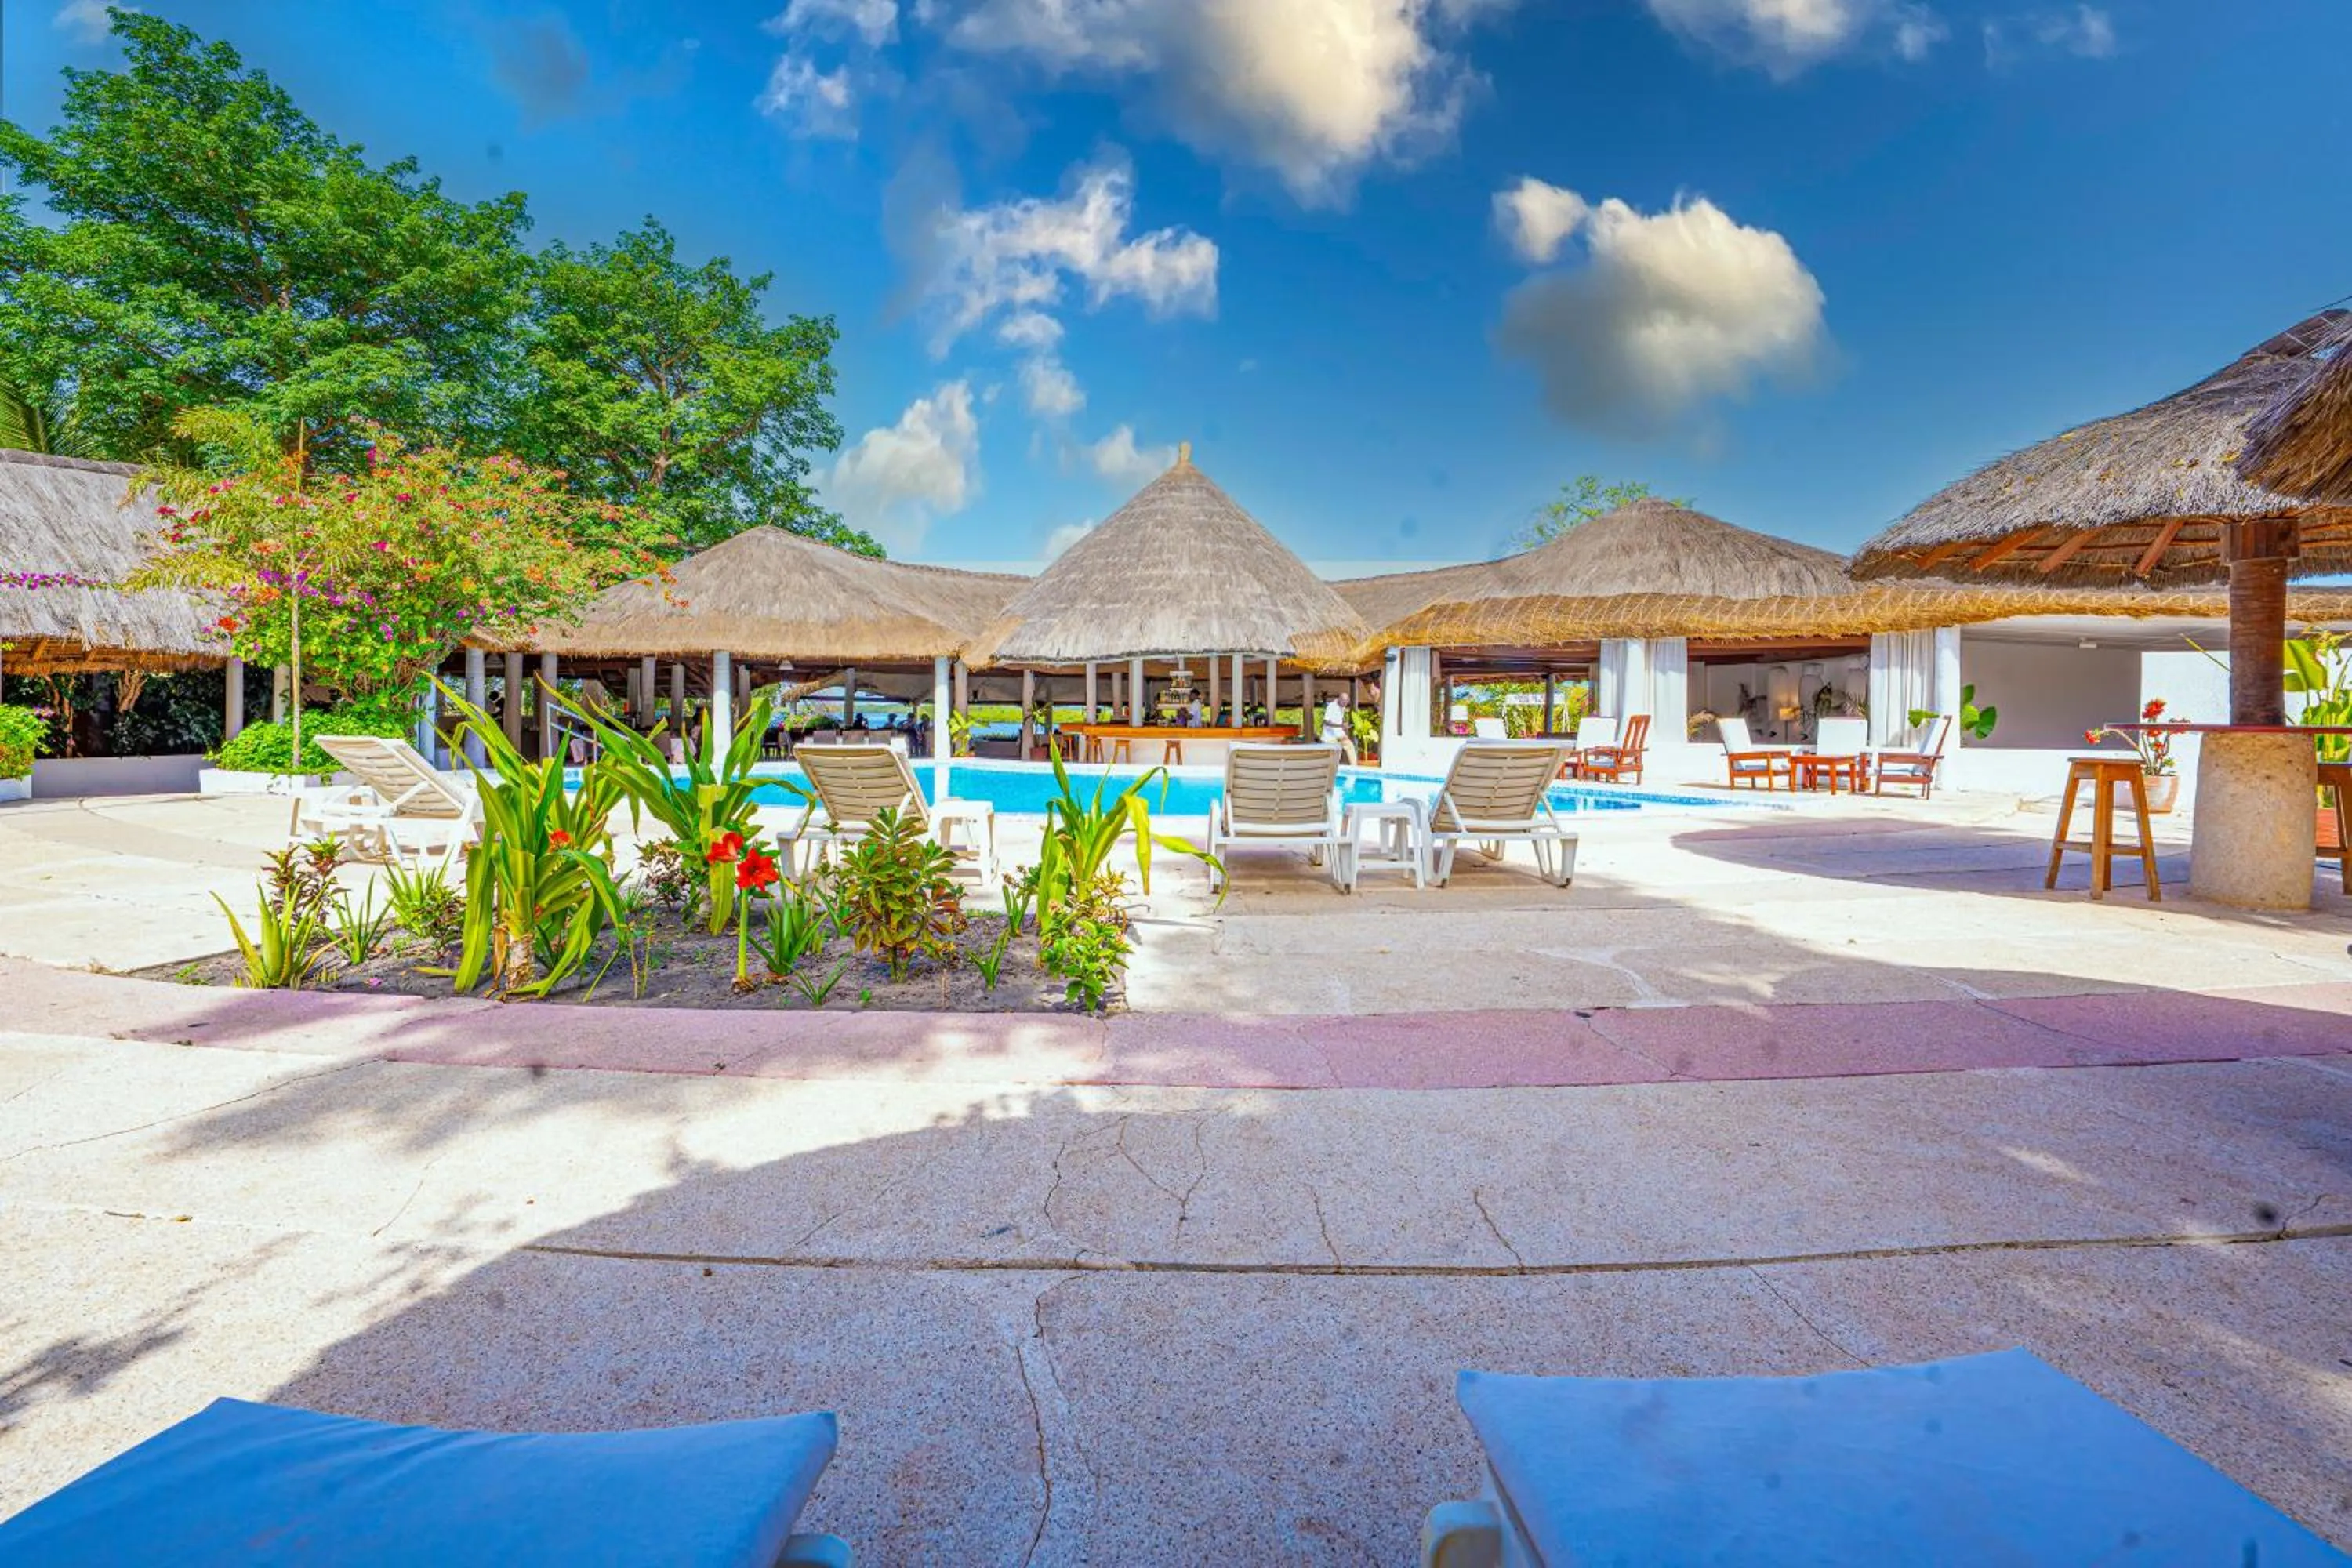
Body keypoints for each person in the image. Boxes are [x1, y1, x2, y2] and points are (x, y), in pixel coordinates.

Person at [1322, 692, 1356, 765]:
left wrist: (1344, 724)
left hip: (1339, 734)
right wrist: (1340, 726)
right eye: (1344, 703)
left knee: (1350, 746)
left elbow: (1340, 718)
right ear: (1339, 699)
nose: (1345, 705)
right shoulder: (1331, 707)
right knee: (1335, 755)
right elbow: (1326, 722)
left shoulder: (1342, 707)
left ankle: (1355, 767)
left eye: (1346, 703)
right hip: (1330, 736)